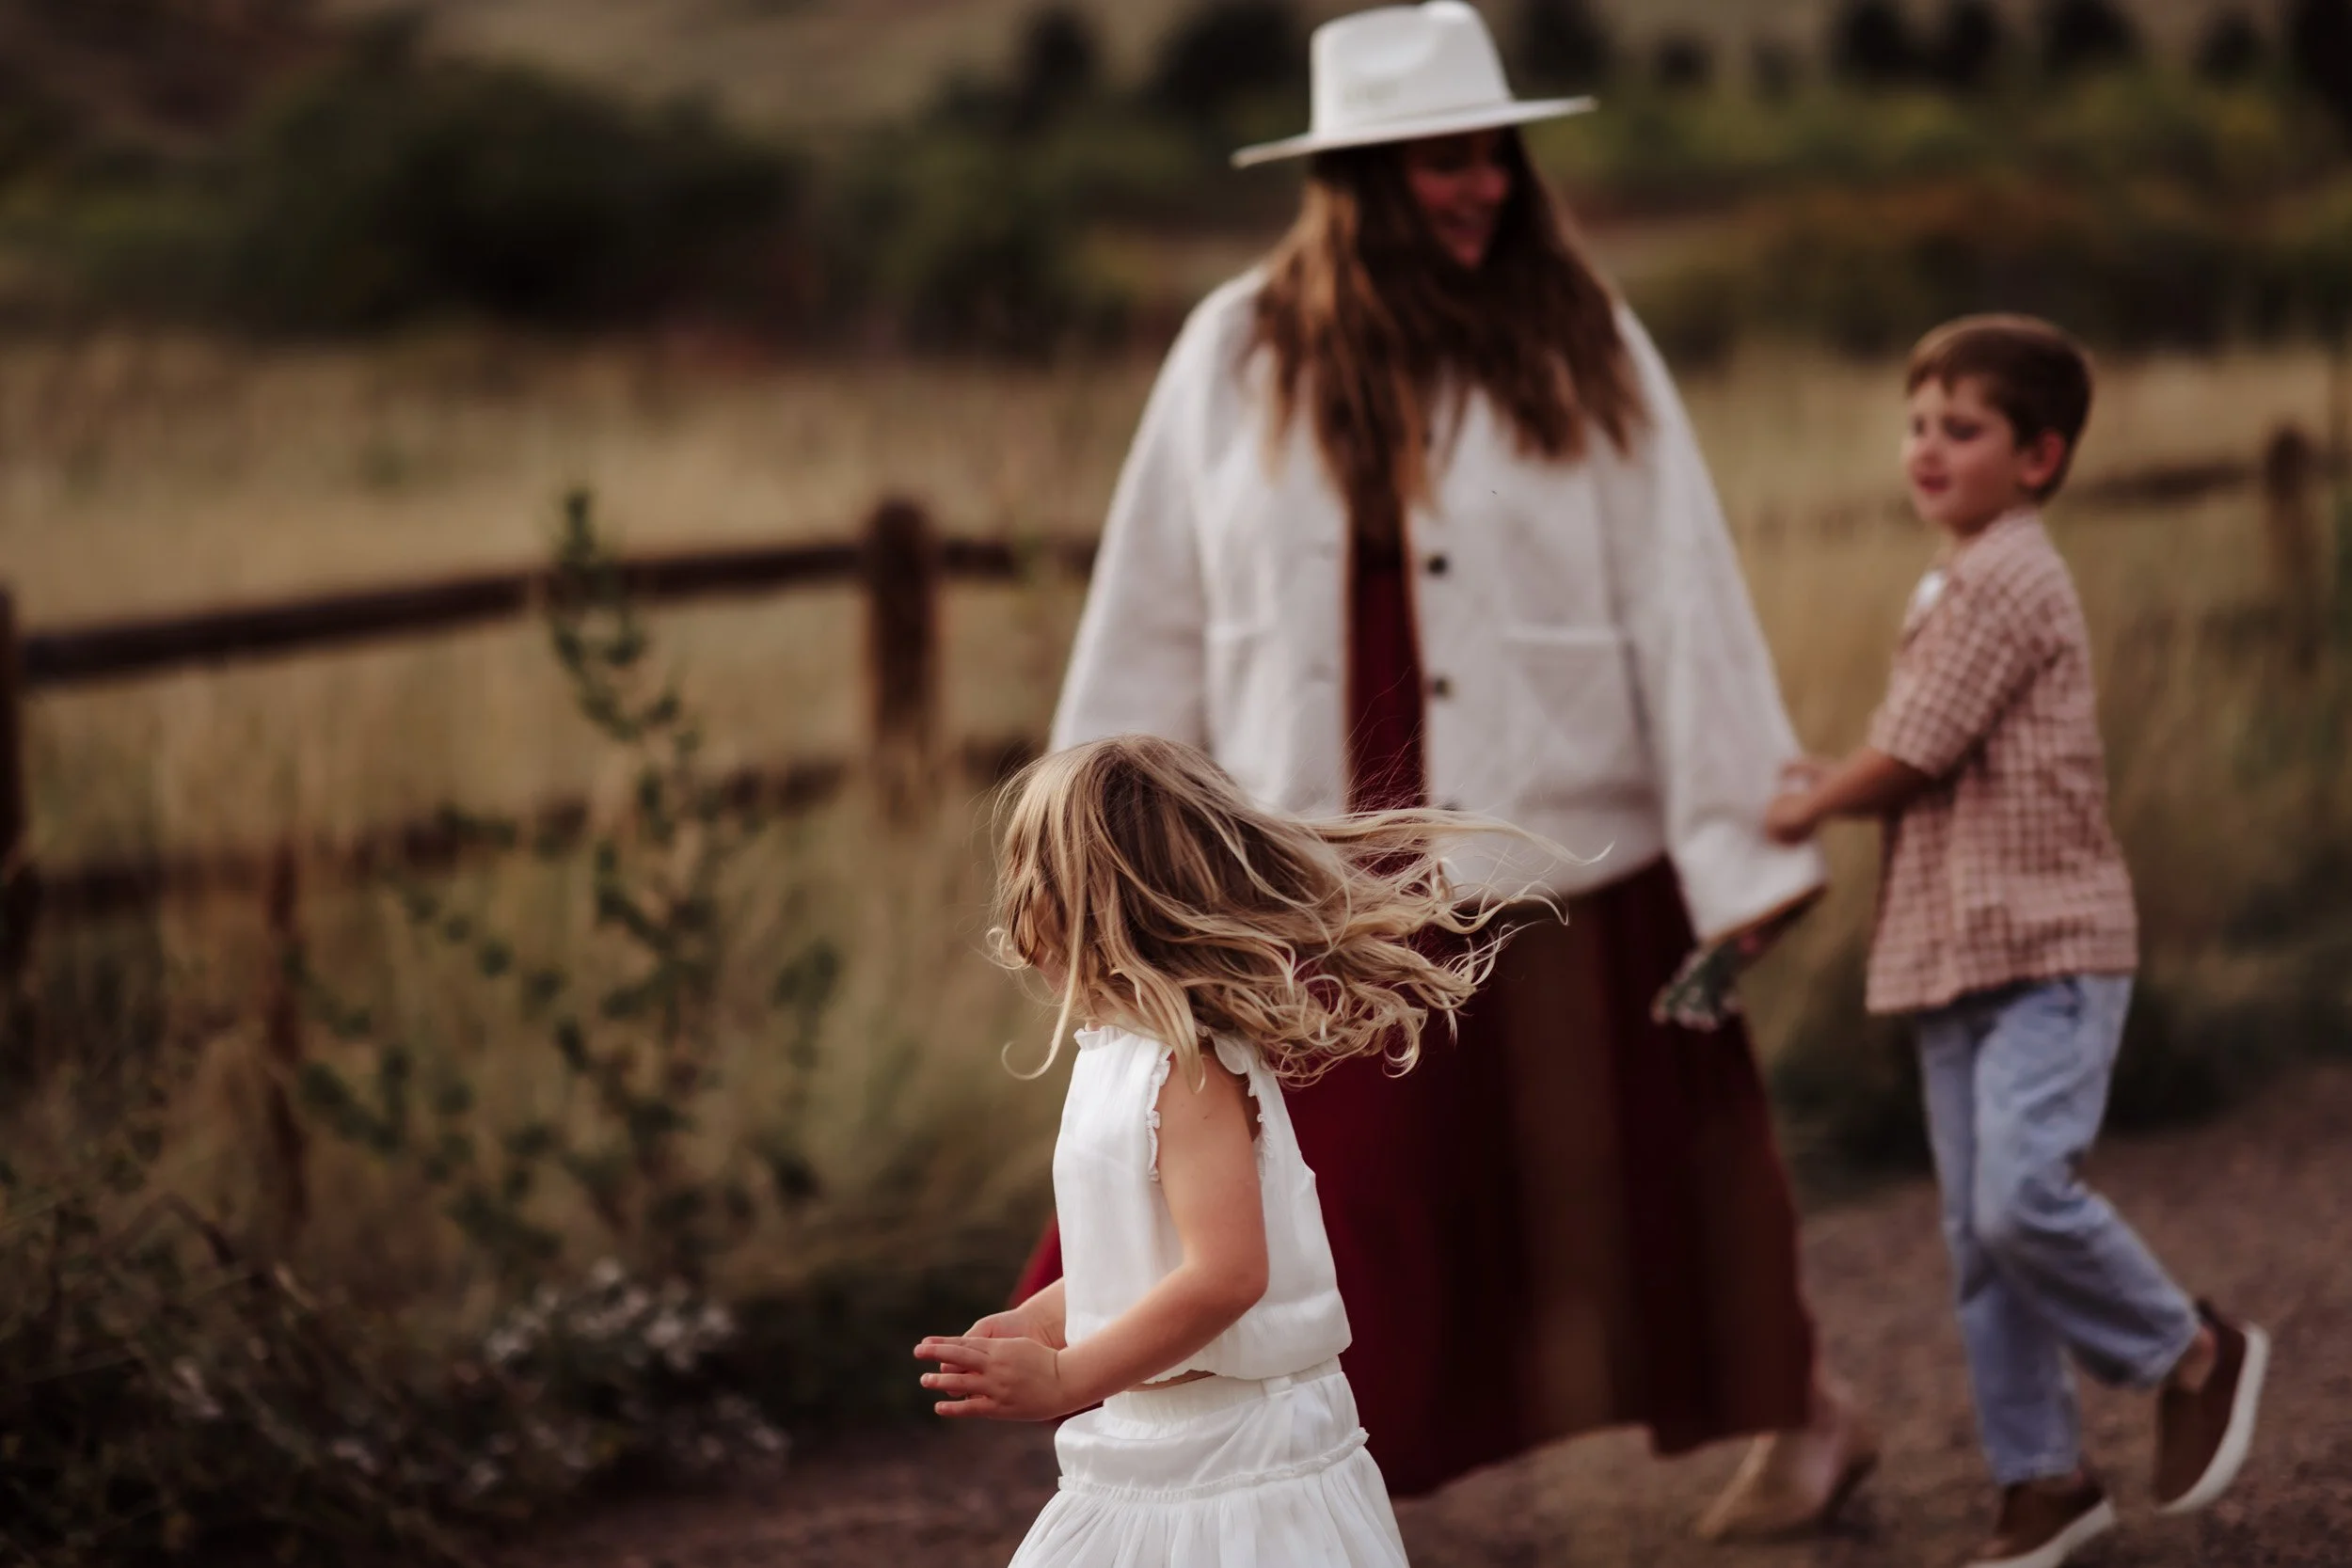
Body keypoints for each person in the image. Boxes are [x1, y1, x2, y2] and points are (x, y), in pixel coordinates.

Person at [1010, 0, 1878, 1540]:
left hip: (1560, 855)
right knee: (1343, 1187)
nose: (1479, 183)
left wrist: (1741, 858)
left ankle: (1809, 1418)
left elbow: (1684, 589)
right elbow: (1150, 609)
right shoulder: (1235, 351)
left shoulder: (1583, 340)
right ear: (1352, 184)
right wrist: (1097, 873)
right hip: (1311, 865)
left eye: (1492, 153)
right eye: (1436, 161)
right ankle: (1307, 1495)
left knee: (1650, 1185)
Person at [1764, 315, 2271, 1568]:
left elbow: (1917, 751)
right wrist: (1846, 773)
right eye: (1916, 423)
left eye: (1961, 427)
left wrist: (1816, 797)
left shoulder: (2008, 575)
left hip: (2047, 950)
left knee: (2020, 1194)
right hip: (1953, 954)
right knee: (1977, 1238)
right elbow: (1929, 753)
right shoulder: (1953, 575)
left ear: (2038, 457)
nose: (1925, 446)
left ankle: (2193, 1348)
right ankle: (2041, 1476)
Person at [917, 735, 1515, 1566]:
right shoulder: (1112, 1052)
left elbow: (1228, 1274)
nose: (1015, 906)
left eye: (1032, 877)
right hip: (1143, 1451)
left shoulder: (1184, 1069)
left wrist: (1067, 1379)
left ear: (1102, 900)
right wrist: (1044, 1319)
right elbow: (1140, 1251)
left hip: (1242, 1470)